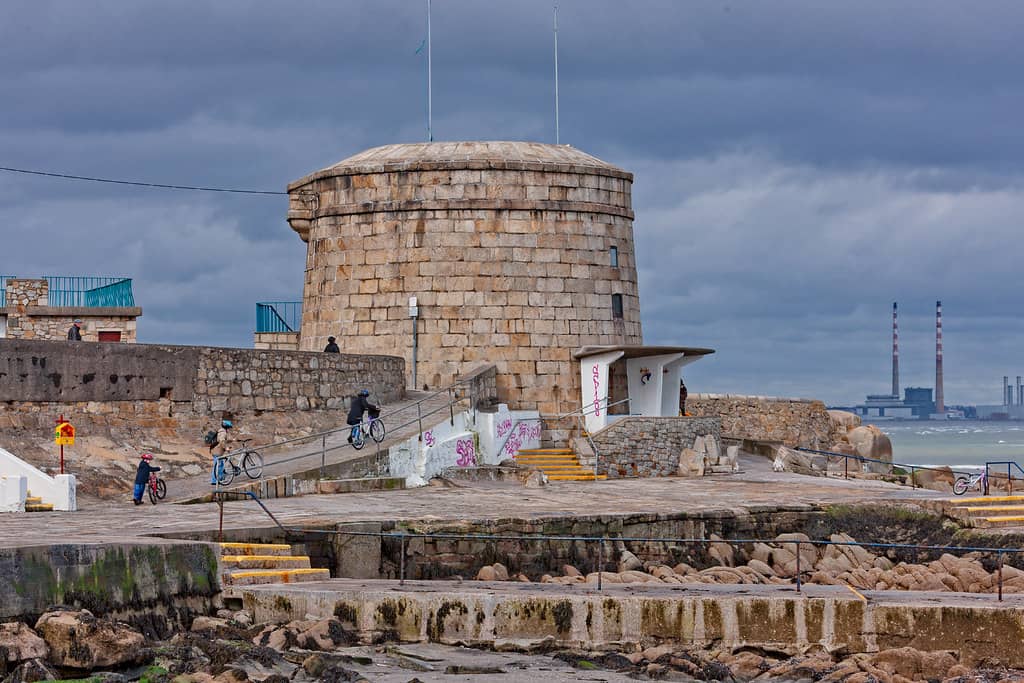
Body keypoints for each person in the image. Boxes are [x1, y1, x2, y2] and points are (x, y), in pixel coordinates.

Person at [209, 419, 233, 485]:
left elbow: (224, 440)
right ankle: (214, 481)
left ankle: (220, 478)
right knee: (218, 466)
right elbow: (222, 441)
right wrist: (226, 448)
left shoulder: (222, 431)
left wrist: (232, 440)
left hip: (216, 450)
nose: (229, 429)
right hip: (217, 451)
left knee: (220, 465)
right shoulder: (223, 432)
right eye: (229, 428)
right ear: (227, 427)